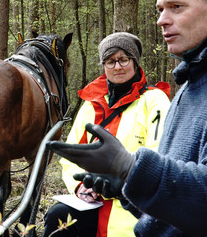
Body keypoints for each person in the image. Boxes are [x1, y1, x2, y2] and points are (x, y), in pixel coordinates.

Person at [48, 0, 207, 237]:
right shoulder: (188, 88)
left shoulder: (155, 99)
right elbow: (173, 207)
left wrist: (128, 170)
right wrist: (116, 186)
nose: (162, 19)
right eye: (160, 9)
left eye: (176, 7)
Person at [42, 32, 170, 237]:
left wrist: (123, 180)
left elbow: (160, 152)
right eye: (110, 61)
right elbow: (71, 155)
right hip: (92, 203)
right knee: (59, 217)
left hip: (133, 205)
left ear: (135, 62)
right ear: (103, 66)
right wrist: (80, 186)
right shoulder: (91, 103)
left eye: (123, 59)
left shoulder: (154, 101)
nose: (117, 67)